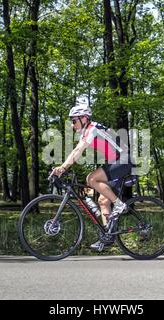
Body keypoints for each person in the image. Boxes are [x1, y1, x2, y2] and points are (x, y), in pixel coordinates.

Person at [51, 98, 132, 251]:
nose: (72, 124)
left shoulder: (93, 128)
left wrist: (62, 168)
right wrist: (64, 167)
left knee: (91, 178)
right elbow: (76, 151)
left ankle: (120, 205)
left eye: (74, 121)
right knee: (103, 200)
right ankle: (108, 237)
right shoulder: (87, 132)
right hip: (117, 161)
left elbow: (77, 151)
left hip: (123, 159)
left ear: (84, 118)